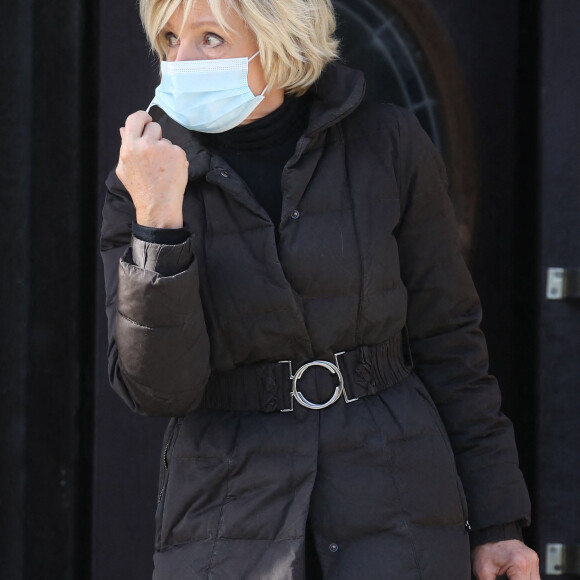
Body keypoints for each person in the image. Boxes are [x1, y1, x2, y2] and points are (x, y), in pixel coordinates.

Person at [100, 0, 541, 578]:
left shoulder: (387, 144)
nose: (180, 61)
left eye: (209, 38)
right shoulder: (141, 180)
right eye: (169, 38)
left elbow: (450, 339)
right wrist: (158, 219)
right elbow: (159, 390)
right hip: (228, 518)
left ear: (280, 41)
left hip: (399, 503)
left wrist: (498, 522)